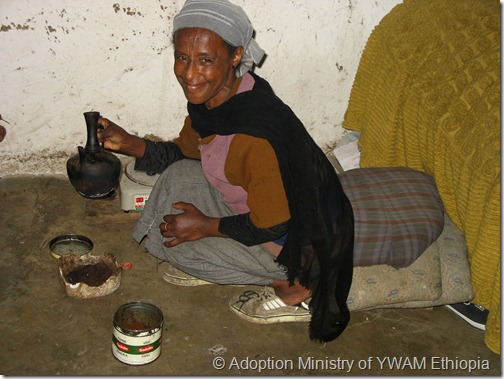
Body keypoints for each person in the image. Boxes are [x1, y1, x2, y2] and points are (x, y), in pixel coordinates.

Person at [97, 0, 354, 343]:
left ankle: (293, 289)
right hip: (257, 209)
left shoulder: (253, 132)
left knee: (177, 246)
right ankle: (218, 257)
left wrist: (207, 226)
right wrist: (129, 143)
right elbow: (184, 151)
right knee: (177, 178)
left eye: (205, 60)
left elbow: (272, 223)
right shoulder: (224, 96)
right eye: (182, 57)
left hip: (295, 245)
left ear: (235, 56)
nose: (189, 74)